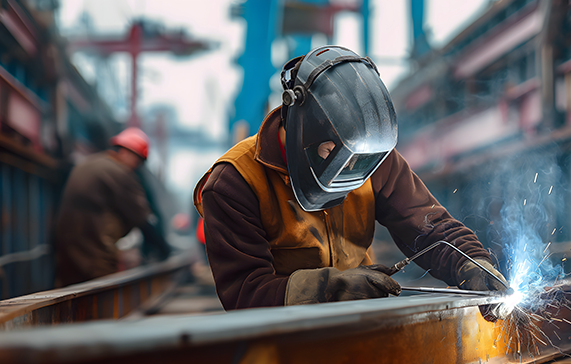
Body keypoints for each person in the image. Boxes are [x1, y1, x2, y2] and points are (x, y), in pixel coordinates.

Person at [193, 46, 508, 314]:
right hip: (280, 348)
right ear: (306, 134)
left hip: (355, 329)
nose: (352, 172)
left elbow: (428, 226)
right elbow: (246, 293)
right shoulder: (234, 182)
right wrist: (331, 288)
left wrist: (470, 263)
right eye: (336, 155)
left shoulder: (372, 157)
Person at [55, 128, 170, 287]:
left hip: (65, 253)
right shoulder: (120, 173)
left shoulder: (88, 163)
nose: (136, 168)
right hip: (95, 255)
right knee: (101, 298)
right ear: (127, 153)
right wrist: (162, 248)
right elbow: (142, 217)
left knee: (71, 297)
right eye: (137, 162)